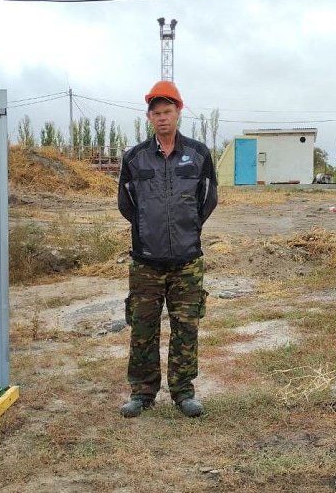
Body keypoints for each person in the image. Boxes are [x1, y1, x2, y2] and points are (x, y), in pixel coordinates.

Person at [118, 80, 218, 418]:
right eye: (156, 113)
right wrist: (148, 230)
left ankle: (183, 392)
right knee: (143, 329)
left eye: (167, 111)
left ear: (178, 112)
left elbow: (208, 199)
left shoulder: (199, 154)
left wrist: (187, 227)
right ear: (149, 117)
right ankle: (142, 393)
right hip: (145, 262)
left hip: (187, 262)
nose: (162, 117)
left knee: (186, 329)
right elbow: (126, 204)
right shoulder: (135, 158)